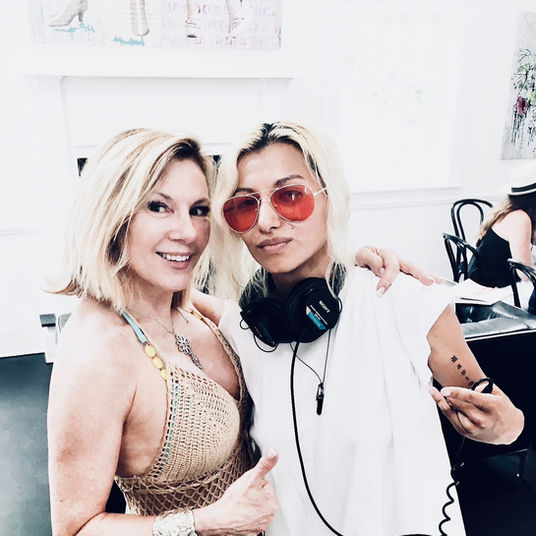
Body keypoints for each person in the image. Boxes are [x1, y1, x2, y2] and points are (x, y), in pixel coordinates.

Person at [47, 127, 425, 536]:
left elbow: (263, 310)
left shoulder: (185, 307)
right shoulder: (98, 354)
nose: (188, 232)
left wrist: (348, 264)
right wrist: (205, 523)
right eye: (158, 207)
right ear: (111, 214)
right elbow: (75, 529)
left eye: (198, 210)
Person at [204, 121, 525, 536]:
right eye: (245, 205)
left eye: (290, 196)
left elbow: (499, 413)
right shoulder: (246, 328)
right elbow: (159, 289)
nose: (265, 221)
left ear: (335, 199)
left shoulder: (402, 301)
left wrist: (504, 426)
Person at [467, 161, 536, 313]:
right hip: (496, 292)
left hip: (484, 281)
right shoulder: (520, 218)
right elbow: (525, 274)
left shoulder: (508, 210)